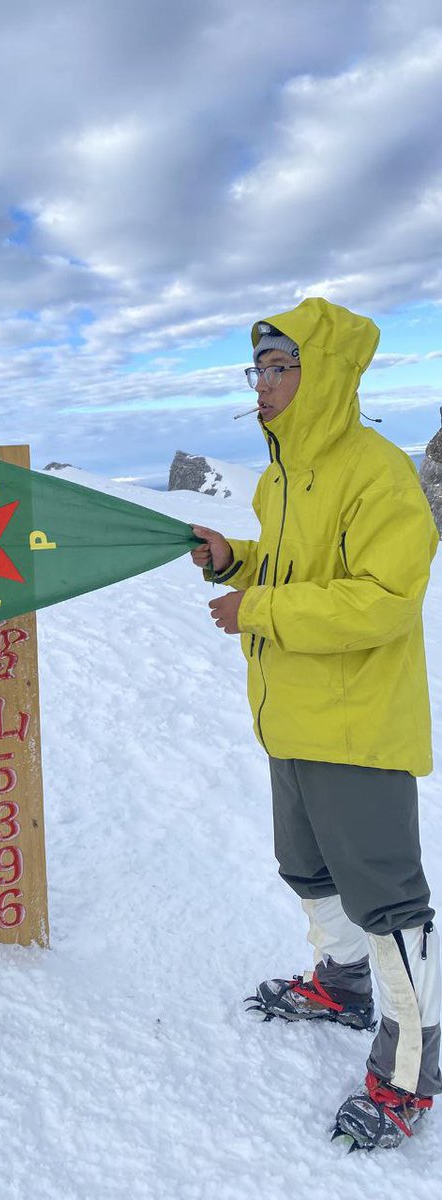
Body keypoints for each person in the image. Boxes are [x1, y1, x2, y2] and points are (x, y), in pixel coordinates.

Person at [192, 297, 441, 1151]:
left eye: (278, 366)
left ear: (322, 375)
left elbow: (383, 599)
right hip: (292, 714)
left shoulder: (377, 472)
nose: (261, 384)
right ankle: (342, 985)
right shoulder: (282, 474)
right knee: (305, 867)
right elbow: (300, 567)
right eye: (256, 368)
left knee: (389, 900)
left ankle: (412, 1068)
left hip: (357, 720)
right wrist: (240, 560)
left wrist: (258, 605)